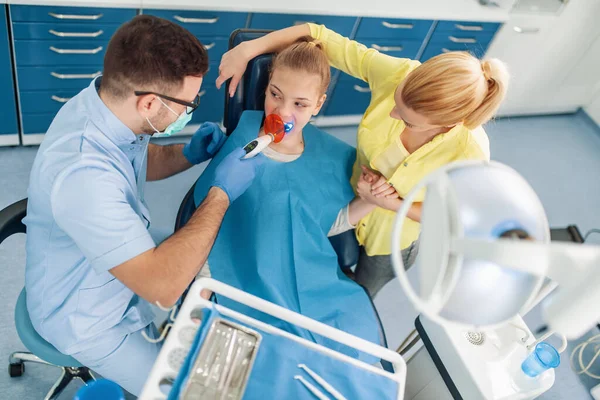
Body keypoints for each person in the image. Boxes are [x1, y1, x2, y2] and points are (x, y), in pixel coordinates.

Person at [22, 15, 263, 396]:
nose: (191, 111)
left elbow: (135, 163)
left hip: (114, 273)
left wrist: (187, 153)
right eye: (189, 103)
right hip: (87, 320)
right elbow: (162, 287)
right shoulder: (83, 175)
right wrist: (222, 192)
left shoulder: (106, 106)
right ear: (150, 102)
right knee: (190, 390)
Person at [216, 23, 508, 298]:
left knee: (359, 293)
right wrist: (248, 49)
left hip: (389, 241)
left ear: (449, 123)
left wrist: (391, 203)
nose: (393, 115)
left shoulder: (471, 152)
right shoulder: (398, 73)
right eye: (396, 101)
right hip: (348, 200)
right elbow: (318, 34)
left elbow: (454, 216)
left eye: (407, 121)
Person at [192, 37, 381, 362]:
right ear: (265, 88)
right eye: (275, 95)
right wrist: (204, 286)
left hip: (310, 279)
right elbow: (211, 223)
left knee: (348, 352)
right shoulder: (244, 134)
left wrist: (371, 199)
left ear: (319, 104)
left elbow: (323, 223)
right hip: (241, 277)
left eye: (300, 104)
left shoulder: (335, 158)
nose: (282, 111)